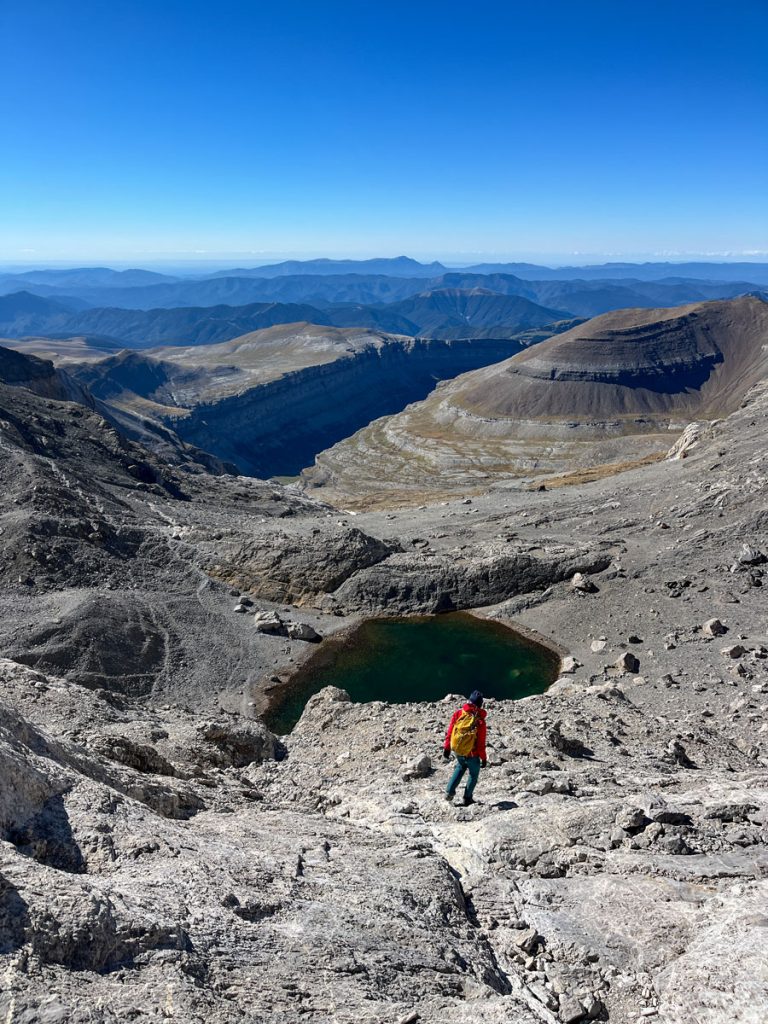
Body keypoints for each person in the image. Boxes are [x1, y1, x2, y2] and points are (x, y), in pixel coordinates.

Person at [442, 689, 487, 805]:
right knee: (473, 774)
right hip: (473, 754)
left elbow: (450, 732)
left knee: (460, 767)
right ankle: (467, 798)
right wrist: (484, 758)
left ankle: (449, 793)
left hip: (458, 751)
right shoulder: (480, 721)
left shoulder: (458, 714)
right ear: (479, 705)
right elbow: (481, 743)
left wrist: (447, 748)